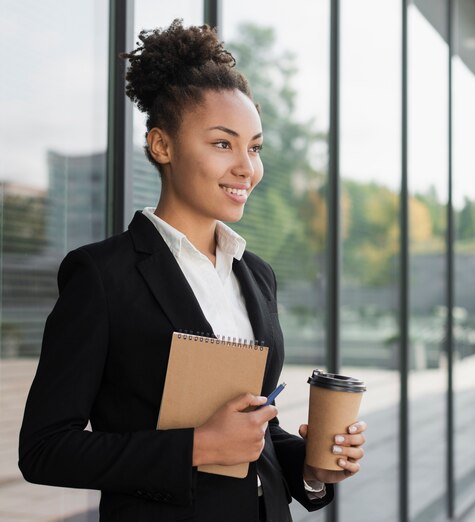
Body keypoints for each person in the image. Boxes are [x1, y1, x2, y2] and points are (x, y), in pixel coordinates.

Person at [18, 19, 366, 522]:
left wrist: (313, 470)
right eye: (223, 144)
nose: (247, 166)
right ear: (162, 146)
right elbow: (45, 449)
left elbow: (257, 435)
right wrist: (196, 447)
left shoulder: (256, 275)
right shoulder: (101, 275)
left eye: (255, 146)